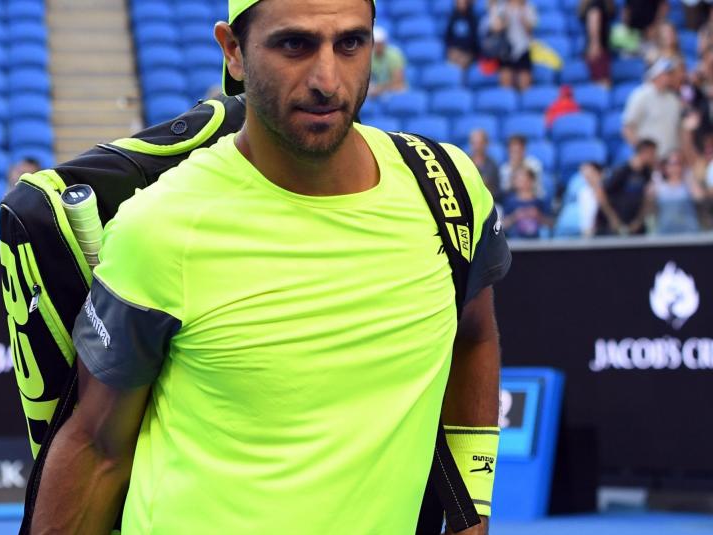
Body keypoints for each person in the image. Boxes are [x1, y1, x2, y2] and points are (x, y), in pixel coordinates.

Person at [30, 0, 510, 532]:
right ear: (233, 51)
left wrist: (471, 516)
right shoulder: (162, 227)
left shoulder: (446, 191)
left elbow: (474, 338)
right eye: (295, 45)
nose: (327, 80)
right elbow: (97, 448)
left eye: (350, 43)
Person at [623, 58, 684, 156]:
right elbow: (628, 128)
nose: (669, 77)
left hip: (669, 158)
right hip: (648, 157)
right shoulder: (641, 95)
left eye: (670, 74)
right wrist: (641, 152)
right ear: (656, 74)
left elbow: (679, 130)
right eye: (666, 73)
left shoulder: (674, 100)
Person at [599, 138, 657, 235]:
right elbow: (603, 194)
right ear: (645, 152)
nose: (655, 157)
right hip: (616, 226)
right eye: (653, 154)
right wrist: (613, 219)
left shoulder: (647, 174)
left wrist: (638, 221)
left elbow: (646, 199)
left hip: (636, 227)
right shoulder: (621, 171)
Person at [645, 151, 705, 233]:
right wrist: (656, 176)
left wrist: (688, 175)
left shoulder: (688, 184)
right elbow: (648, 202)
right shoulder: (660, 186)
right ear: (666, 167)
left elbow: (699, 197)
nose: (675, 167)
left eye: (679, 163)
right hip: (666, 233)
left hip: (688, 233)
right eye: (672, 164)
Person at [488, 0, 537, 90]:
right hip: (505, 50)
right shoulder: (501, 8)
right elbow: (496, 28)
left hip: (523, 49)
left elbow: (531, 30)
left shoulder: (528, 7)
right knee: (506, 81)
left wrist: (523, 19)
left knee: (525, 82)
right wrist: (504, 19)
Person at [501, 167, 553, 238]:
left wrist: (538, 216)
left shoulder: (539, 201)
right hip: (516, 238)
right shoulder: (510, 202)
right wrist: (515, 216)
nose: (523, 182)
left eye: (525, 179)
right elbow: (502, 225)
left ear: (532, 180)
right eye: (519, 179)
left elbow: (550, 224)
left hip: (537, 238)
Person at [580, 0, 616, 86]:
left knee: (601, 81)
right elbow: (594, 23)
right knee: (602, 82)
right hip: (598, 49)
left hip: (602, 47)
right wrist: (595, 45)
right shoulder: (596, 4)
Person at [369, 26, 406, 96]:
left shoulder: (394, 55)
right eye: (376, 44)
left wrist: (379, 89)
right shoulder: (369, 56)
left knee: (399, 89)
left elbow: (398, 81)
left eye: (380, 44)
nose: (378, 46)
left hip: (392, 89)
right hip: (377, 89)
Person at [444, 0, 480, 68]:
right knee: (451, 61)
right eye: (459, 3)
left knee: (462, 63)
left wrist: (467, 53)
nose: (462, 5)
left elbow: (474, 40)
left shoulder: (473, 19)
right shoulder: (452, 18)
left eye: (464, 3)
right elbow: (448, 37)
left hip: (468, 53)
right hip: (455, 51)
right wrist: (453, 50)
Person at [470, 127, 501, 196]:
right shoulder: (465, 163)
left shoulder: (493, 165)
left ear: (486, 143)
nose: (477, 147)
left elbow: (497, 190)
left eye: (480, 143)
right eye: (474, 143)